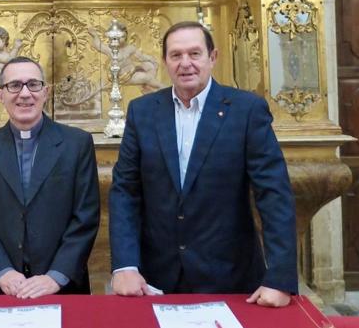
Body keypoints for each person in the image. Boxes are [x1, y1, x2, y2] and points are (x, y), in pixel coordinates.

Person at [109, 21, 297, 307]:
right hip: (155, 279)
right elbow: (125, 191)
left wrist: (280, 278)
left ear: (213, 57)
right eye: (176, 55)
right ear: (165, 61)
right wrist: (124, 265)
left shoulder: (246, 110)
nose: (186, 63)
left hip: (231, 278)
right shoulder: (142, 111)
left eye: (194, 53)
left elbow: (274, 195)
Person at [0, 56, 100, 298]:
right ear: (0, 95)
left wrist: (56, 276)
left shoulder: (77, 144)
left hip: (64, 287)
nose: (25, 94)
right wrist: (2, 271)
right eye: (14, 85)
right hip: (4, 286)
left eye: (33, 84)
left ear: (45, 92)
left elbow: (85, 217)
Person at [88, 24, 163, 93]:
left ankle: (155, 88)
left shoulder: (130, 48)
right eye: (119, 37)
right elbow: (98, 45)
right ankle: (161, 88)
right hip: (123, 77)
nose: (121, 39)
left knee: (148, 67)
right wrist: (94, 35)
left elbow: (141, 57)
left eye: (123, 37)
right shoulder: (110, 50)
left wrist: (150, 59)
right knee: (147, 78)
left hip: (132, 73)